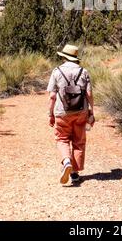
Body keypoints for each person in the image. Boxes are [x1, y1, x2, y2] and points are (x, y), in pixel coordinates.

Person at [47, 44, 94, 184]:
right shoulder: (84, 72)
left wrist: (50, 114)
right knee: (79, 141)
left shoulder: (57, 72)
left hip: (62, 112)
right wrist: (91, 111)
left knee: (62, 139)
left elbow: (52, 96)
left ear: (64, 57)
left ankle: (66, 161)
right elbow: (89, 93)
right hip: (81, 112)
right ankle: (74, 173)